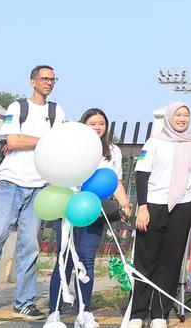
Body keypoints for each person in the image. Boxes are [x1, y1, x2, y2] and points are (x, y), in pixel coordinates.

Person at [0, 65, 66, 325]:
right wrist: (42, 140)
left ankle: (24, 302)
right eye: (44, 78)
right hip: (10, 183)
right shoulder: (18, 107)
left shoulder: (57, 111)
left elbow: (55, 144)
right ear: (32, 81)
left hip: (39, 185)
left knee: (29, 247)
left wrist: (26, 139)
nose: (49, 83)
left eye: (53, 79)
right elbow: (13, 141)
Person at [45, 108, 133, 328]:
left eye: (101, 123)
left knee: (87, 260)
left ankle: (84, 312)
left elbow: (114, 181)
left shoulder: (112, 150)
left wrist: (124, 204)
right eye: (92, 123)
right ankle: (54, 313)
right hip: (67, 208)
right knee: (64, 260)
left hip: (93, 210)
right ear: (83, 124)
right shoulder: (71, 145)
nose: (97, 127)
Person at [128, 102, 191, 328]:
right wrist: (143, 207)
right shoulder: (154, 142)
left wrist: (187, 198)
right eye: (178, 115)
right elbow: (142, 175)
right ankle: (138, 313)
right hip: (153, 206)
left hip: (181, 208)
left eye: (186, 115)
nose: (182, 119)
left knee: (171, 262)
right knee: (145, 262)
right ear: (169, 118)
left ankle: (160, 314)